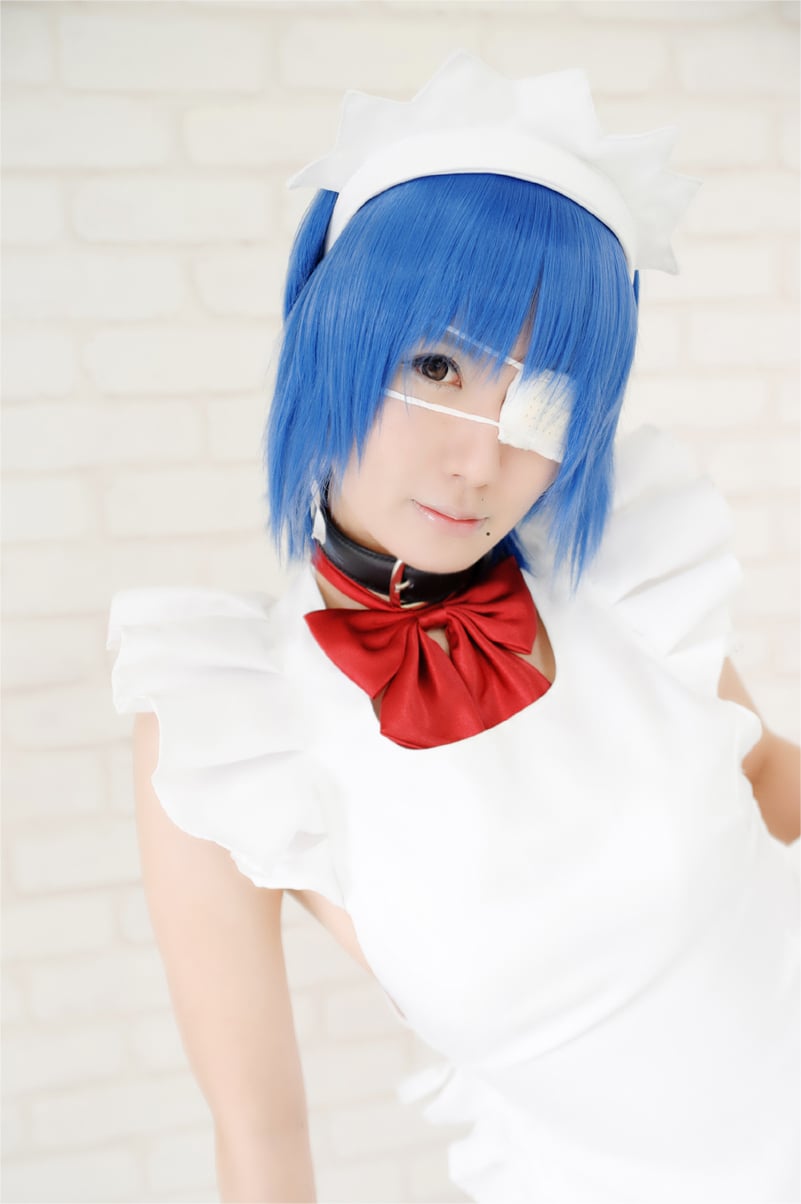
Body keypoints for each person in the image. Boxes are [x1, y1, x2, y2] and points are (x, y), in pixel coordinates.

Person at [108, 52, 800, 1204]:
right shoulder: (233, 723)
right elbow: (264, 1139)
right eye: (437, 364)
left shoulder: (619, 575)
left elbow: (770, 777)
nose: (481, 457)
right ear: (333, 334)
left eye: (542, 399)